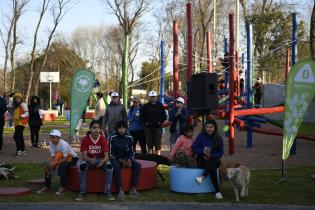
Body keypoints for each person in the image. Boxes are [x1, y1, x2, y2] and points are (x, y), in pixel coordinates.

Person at [75, 120, 114, 201]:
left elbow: (107, 156)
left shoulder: (103, 139)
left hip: (101, 160)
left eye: (98, 128)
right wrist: (91, 160)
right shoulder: (85, 139)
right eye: (94, 128)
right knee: (82, 167)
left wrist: (102, 162)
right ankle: (82, 192)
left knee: (109, 167)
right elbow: (84, 156)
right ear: (90, 129)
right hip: (89, 160)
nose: (96, 130)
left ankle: (108, 191)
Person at [37, 129, 78, 194]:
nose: (51, 139)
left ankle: (63, 187)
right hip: (60, 157)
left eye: (53, 137)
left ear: (59, 138)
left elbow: (65, 158)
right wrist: (51, 163)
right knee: (48, 166)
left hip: (72, 158)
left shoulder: (64, 144)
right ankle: (47, 186)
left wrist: (55, 163)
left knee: (62, 167)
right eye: (50, 137)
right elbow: (53, 156)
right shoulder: (51, 143)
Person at [192, 119, 224, 199]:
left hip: (214, 159)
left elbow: (220, 153)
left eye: (211, 127)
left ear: (215, 128)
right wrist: (203, 151)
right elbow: (194, 148)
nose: (209, 129)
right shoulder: (201, 136)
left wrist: (211, 154)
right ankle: (217, 191)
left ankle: (202, 177)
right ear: (205, 127)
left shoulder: (218, 138)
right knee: (212, 168)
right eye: (207, 127)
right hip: (202, 158)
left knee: (212, 162)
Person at [110, 120, 141, 200]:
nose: (122, 130)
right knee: (116, 167)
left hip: (127, 158)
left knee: (137, 165)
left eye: (124, 128)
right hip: (116, 159)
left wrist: (129, 160)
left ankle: (133, 188)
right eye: (120, 128)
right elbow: (110, 153)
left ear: (126, 129)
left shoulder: (129, 137)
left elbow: (132, 151)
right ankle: (120, 190)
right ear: (116, 129)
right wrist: (120, 160)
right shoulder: (112, 137)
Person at [140, 90, 167, 155]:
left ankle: (158, 158)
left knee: (158, 144)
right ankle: (150, 159)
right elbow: (142, 116)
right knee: (149, 144)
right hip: (148, 128)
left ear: (156, 97)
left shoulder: (160, 105)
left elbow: (164, 116)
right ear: (149, 97)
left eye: (154, 97)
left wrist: (160, 122)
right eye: (151, 97)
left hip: (158, 128)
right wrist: (145, 122)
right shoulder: (145, 106)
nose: (153, 98)